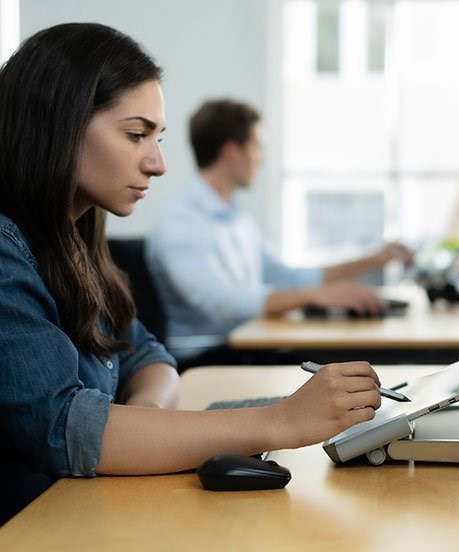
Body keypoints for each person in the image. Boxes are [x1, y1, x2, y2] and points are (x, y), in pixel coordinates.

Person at [0, 22, 382, 525]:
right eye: (136, 135)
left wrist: (144, 425)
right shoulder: (7, 251)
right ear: (59, 124)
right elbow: (68, 429)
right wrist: (277, 423)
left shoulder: (75, 240)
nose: (157, 163)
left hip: (87, 510)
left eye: (156, 138)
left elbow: (146, 353)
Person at [146, 98, 412, 366]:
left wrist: (372, 261)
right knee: (333, 366)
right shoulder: (180, 222)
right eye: (257, 147)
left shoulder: (237, 219)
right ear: (231, 151)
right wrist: (312, 295)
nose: (261, 160)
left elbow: (285, 277)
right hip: (207, 357)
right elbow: (224, 302)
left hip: (246, 346)